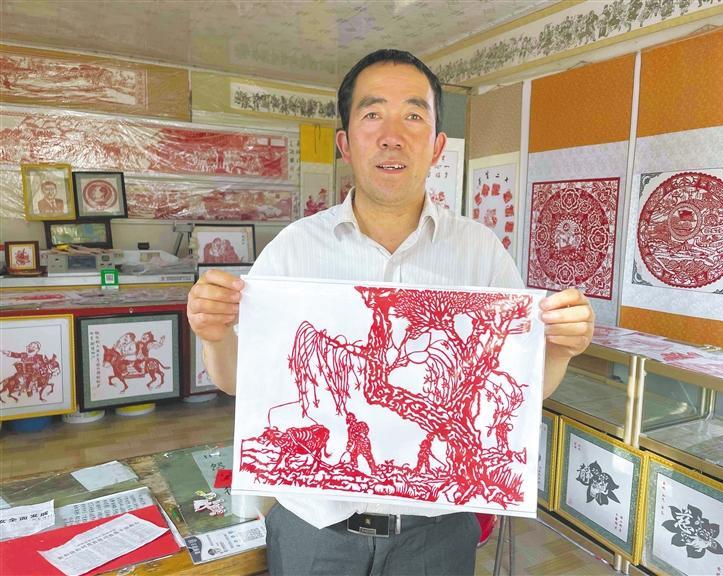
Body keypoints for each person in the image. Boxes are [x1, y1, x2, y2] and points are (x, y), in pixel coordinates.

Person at [187, 49, 594, 576]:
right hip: (315, 529)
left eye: (413, 116)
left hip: (435, 533)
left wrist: (557, 350)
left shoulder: (480, 252)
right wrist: (214, 333)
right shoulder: (293, 249)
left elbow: (516, 391)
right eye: (373, 114)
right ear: (345, 142)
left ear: (437, 145)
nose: (392, 136)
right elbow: (239, 382)